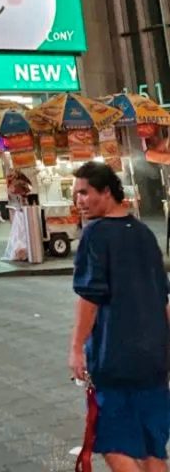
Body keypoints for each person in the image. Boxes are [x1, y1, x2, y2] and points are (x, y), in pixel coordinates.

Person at [70, 161, 170, 471]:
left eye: (85, 193)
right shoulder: (143, 233)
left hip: (115, 355)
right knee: (153, 445)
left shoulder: (95, 235)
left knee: (113, 441)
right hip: (154, 359)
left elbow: (90, 298)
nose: (79, 201)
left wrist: (76, 348)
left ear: (107, 192)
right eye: (75, 195)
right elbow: (162, 297)